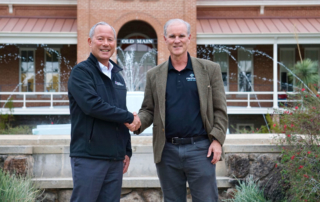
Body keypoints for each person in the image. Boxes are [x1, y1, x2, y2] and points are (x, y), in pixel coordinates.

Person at [125, 19, 228, 202]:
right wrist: (137, 122)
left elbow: (220, 110)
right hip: (167, 151)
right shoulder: (154, 75)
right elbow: (148, 109)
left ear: (189, 38)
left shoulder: (210, 70)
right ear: (165, 39)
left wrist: (217, 140)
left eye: (181, 36)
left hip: (201, 150)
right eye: (172, 36)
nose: (177, 40)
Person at [68, 22, 141, 202]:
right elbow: (92, 105)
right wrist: (129, 117)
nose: (105, 43)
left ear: (115, 43)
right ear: (90, 41)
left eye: (110, 39)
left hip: (115, 158)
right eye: (100, 39)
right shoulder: (81, 72)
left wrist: (126, 150)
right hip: (89, 156)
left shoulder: (117, 76)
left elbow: (120, 111)